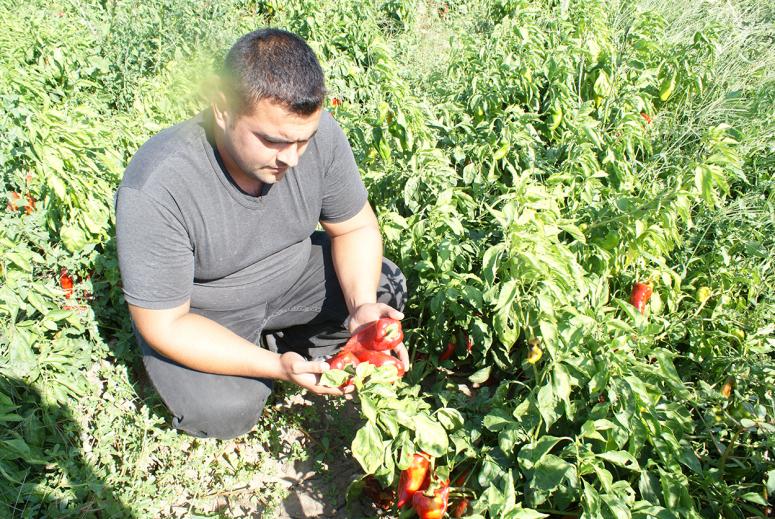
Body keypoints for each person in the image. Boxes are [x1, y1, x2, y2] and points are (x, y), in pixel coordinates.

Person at [114, 28, 408, 440]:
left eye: (303, 141)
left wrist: (360, 307)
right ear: (222, 109)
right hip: (206, 313)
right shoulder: (160, 184)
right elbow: (167, 325)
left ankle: (278, 342)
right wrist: (277, 368)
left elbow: (356, 227)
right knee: (223, 413)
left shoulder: (318, 137)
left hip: (290, 276)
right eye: (272, 140)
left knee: (383, 288)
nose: (291, 157)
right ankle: (264, 356)